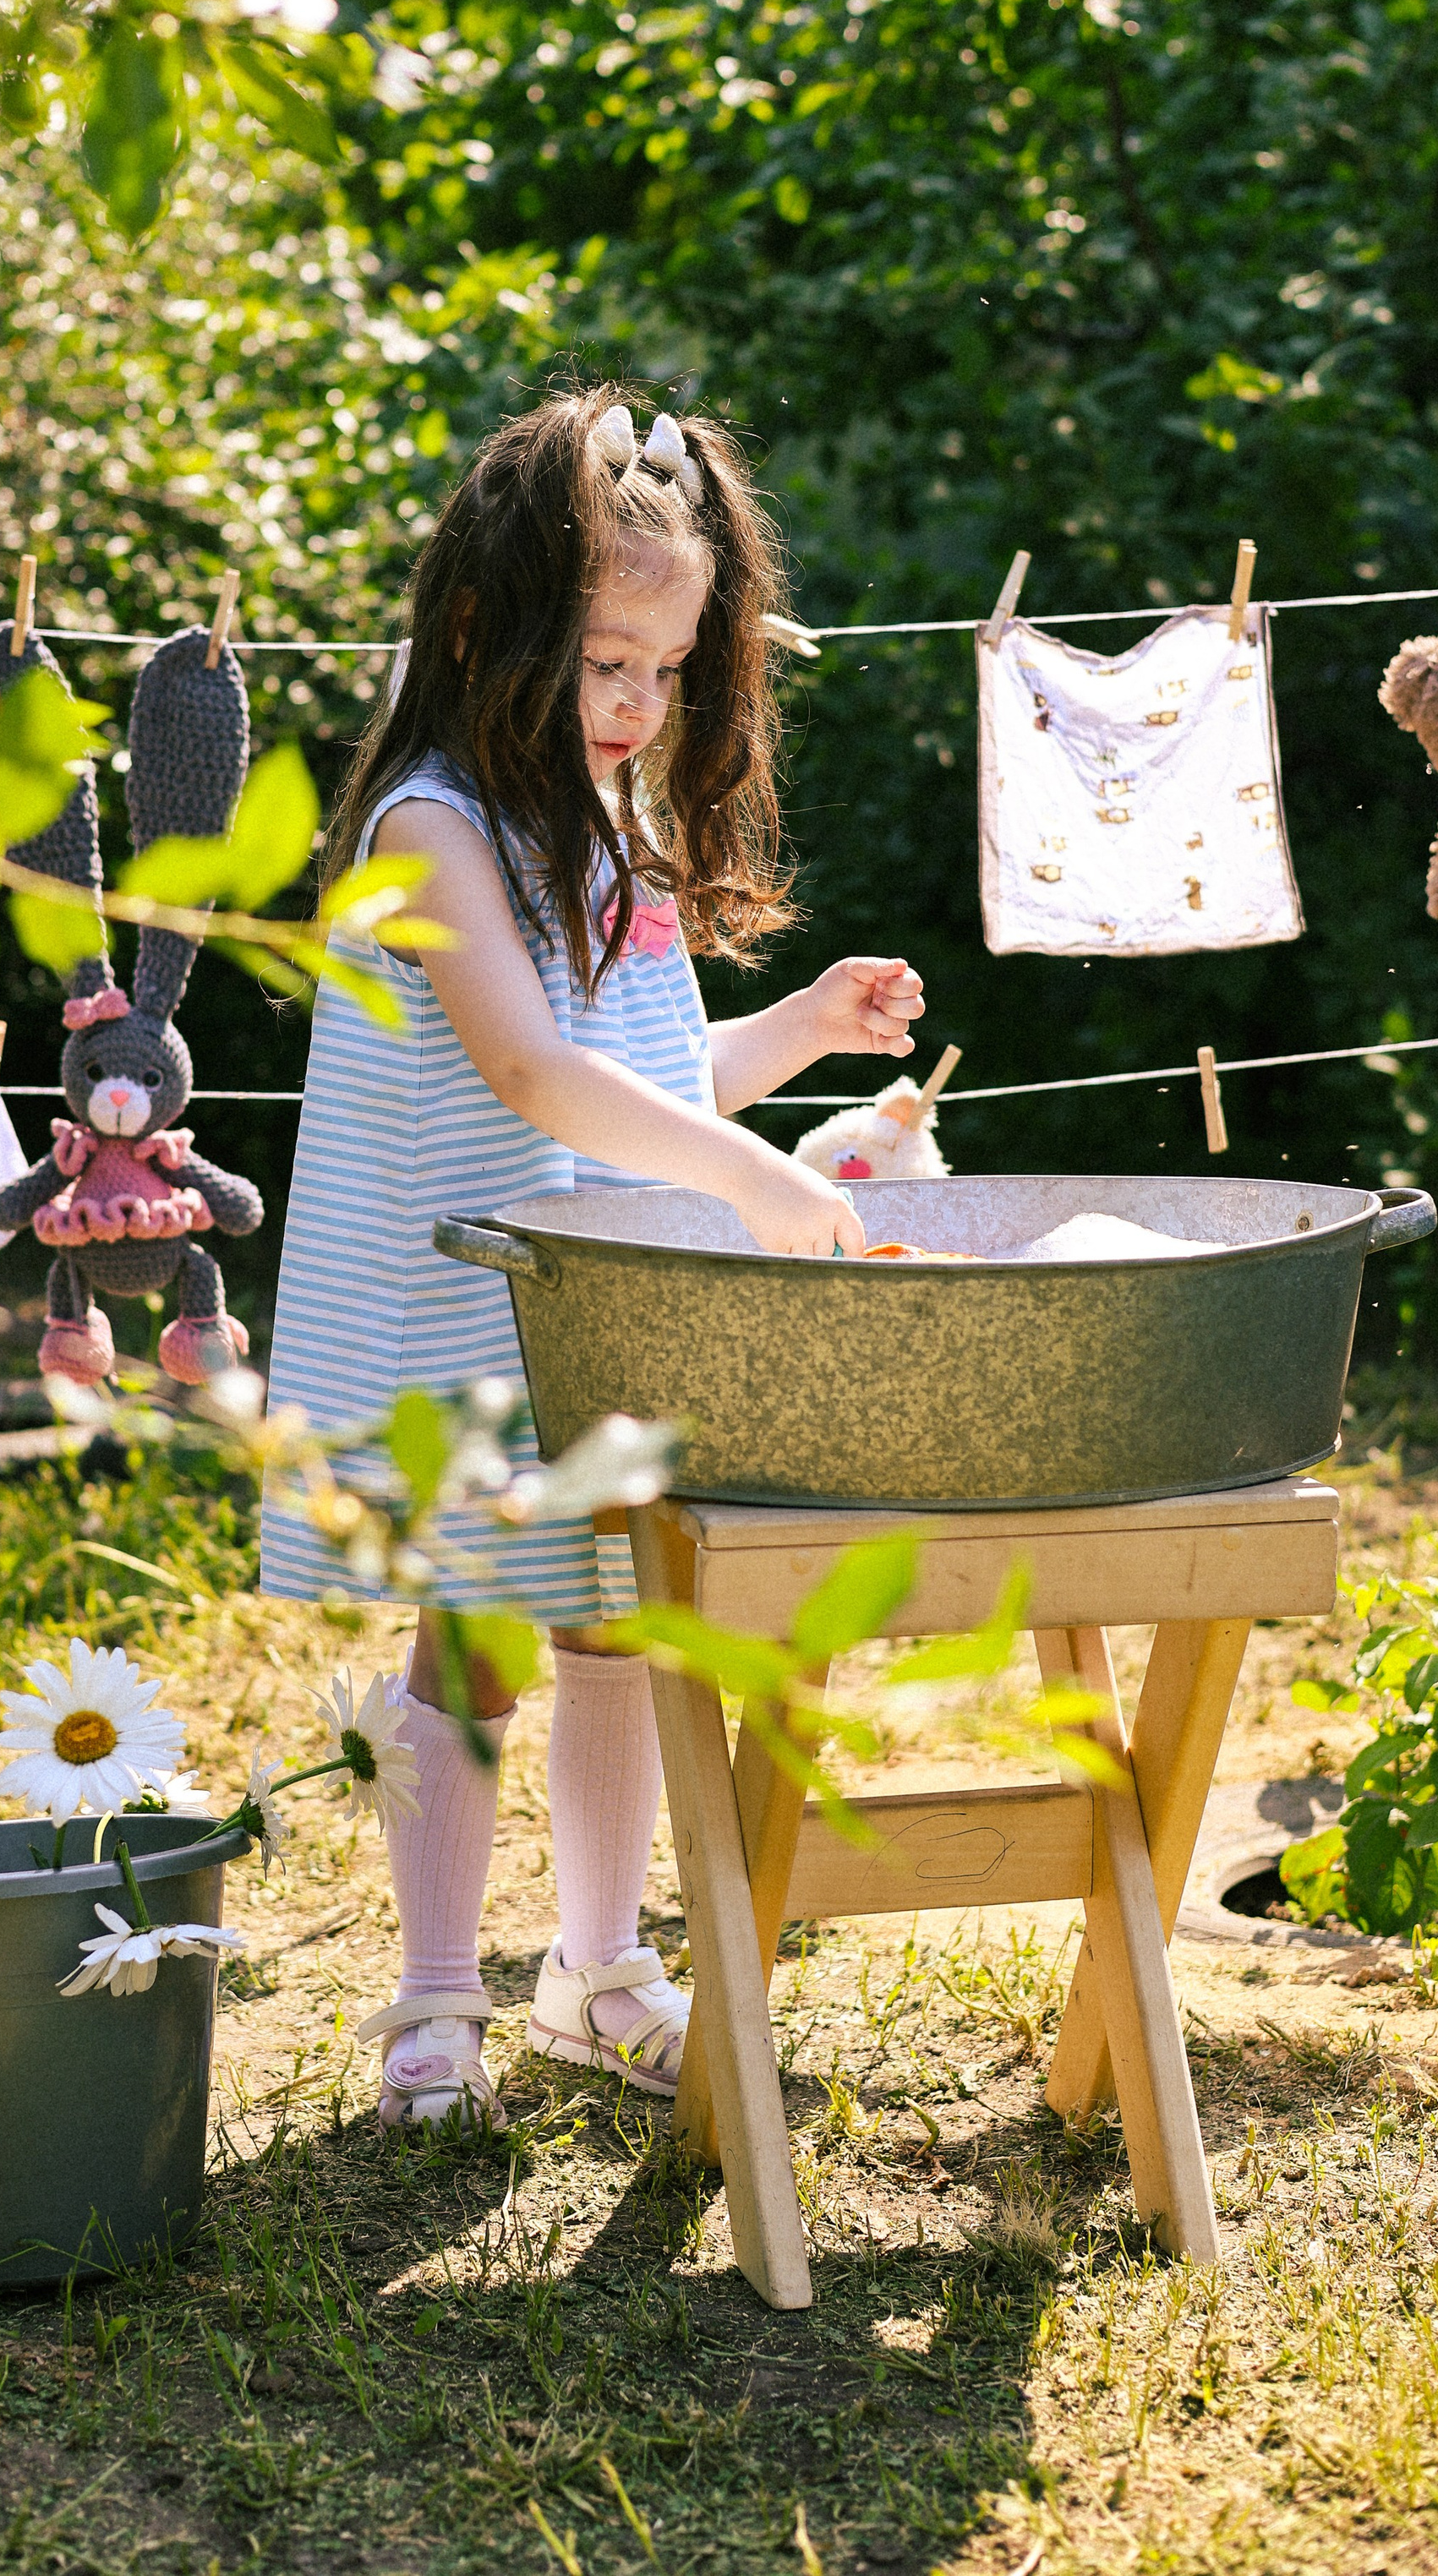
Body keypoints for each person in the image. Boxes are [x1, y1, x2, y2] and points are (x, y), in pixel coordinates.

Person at [259, 386, 926, 2131]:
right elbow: (528, 1076)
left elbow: (634, 1089)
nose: (636, 705)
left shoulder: (613, 828)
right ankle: (428, 1994)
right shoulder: (431, 826)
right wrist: (759, 1192)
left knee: (618, 1627)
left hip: (596, 1301)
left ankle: (594, 1966)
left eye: (665, 672)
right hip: (469, 1301)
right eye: (604, 663)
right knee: (474, 1633)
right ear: (488, 631)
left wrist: (792, 1030)